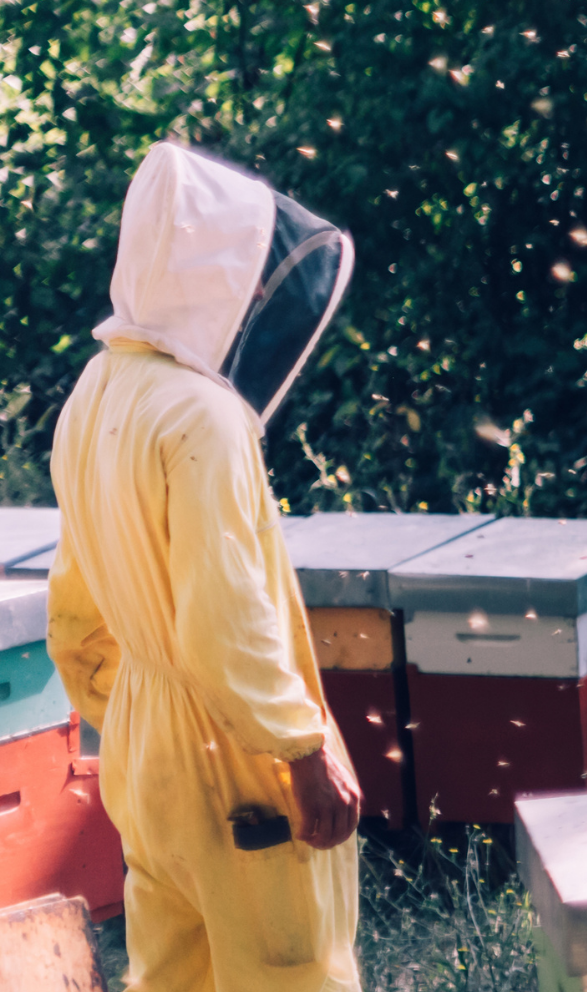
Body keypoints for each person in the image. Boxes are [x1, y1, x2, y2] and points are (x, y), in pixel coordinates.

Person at [47, 143, 364, 992]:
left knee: (173, 972)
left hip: (145, 742)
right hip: (233, 753)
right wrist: (300, 748)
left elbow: (73, 618)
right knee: (289, 970)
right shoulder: (204, 417)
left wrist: (138, 714)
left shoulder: (93, 394)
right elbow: (228, 616)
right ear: (214, 271)